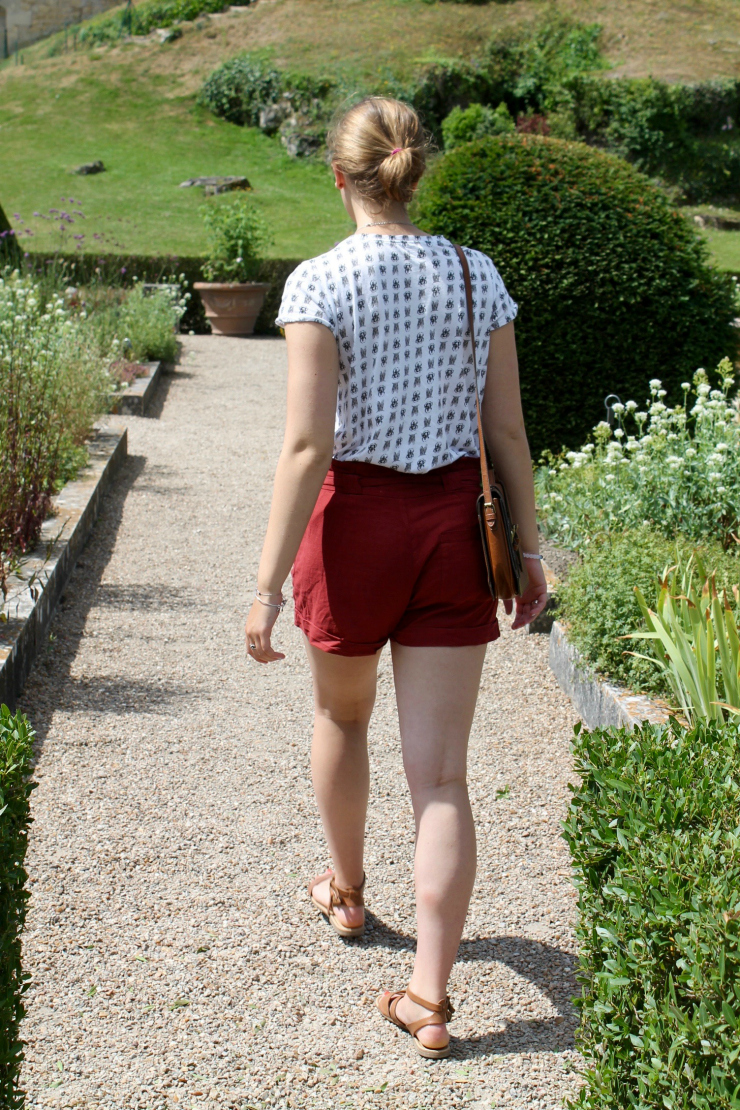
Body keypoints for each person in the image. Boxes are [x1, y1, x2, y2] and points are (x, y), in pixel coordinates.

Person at [245, 96, 548, 1060]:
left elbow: (306, 445)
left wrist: (260, 588)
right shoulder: (476, 274)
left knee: (341, 717)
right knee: (444, 776)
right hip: (457, 525)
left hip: (357, 527)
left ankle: (346, 891)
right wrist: (532, 551)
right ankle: (428, 995)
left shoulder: (318, 282)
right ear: (416, 174)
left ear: (339, 176)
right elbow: (505, 433)